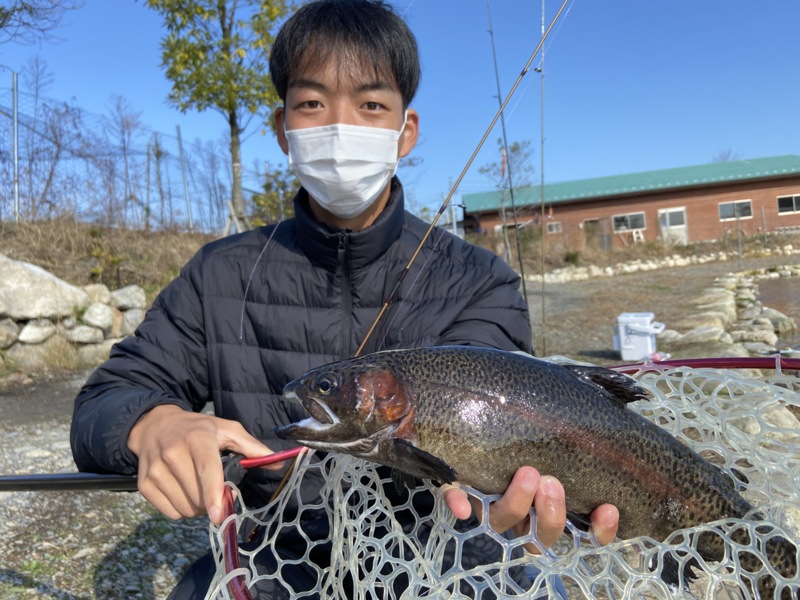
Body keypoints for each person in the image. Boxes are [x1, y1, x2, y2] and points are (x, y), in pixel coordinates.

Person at [71, 1, 619, 597]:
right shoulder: (219, 275)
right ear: (282, 129)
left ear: (405, 131)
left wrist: (519, 500)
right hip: (273, 558)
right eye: (312, 103)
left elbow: (508, 426)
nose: (340, 126)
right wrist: (153, 422)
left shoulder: (479, 279)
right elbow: (103, 401)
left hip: (443, 554)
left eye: (371, 104)